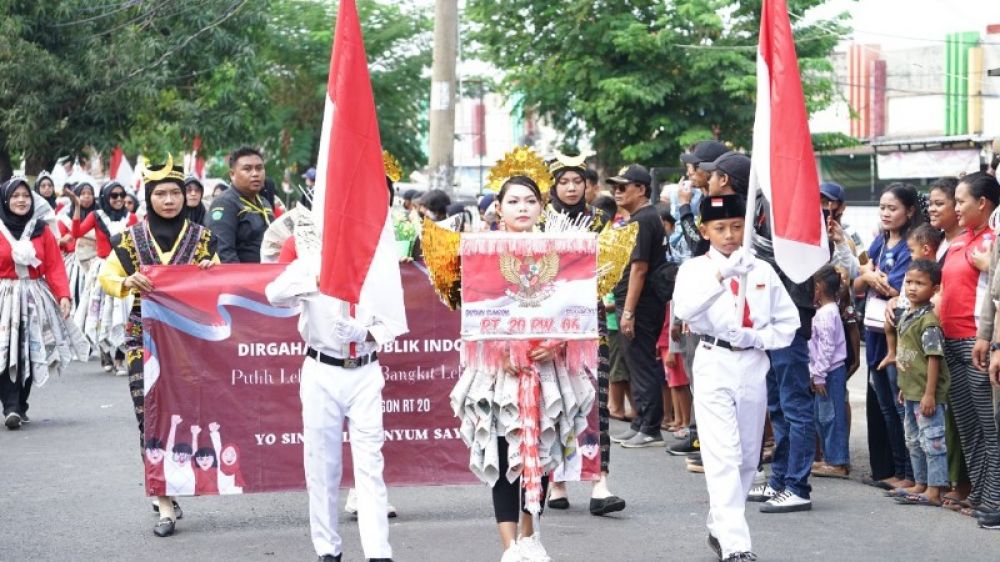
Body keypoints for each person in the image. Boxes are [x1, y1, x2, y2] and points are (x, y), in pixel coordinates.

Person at [439, 154, 596, 561]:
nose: (522, 208)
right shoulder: (480, 251)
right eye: (513, 201)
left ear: (542, 207)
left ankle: (531, 536)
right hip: (498, 372)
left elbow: (575, 308)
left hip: (548, 367)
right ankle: (509, 546)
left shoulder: (563, 249)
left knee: (540, 452)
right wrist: (498, 349)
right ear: (499, 208)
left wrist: (558, 342)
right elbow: (474, 311)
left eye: (530, 201)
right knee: (503, 450)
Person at [265, 181, 404, 562]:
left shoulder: (380, 261)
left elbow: (395, 323)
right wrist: (315, 279)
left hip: (365, 370)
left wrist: (367, 333)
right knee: (322, 464)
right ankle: (328, 549)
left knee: (370, 464)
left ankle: (378, 552)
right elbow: (273, 294)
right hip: (322, 369)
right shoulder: (313, 259)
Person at [673, 193, 798, 562]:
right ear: (704, 231)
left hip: (752, 362)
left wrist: (756, 338)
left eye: (736, 227)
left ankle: (720, 523)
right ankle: (736, 544)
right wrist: (722, 274)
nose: (729, 235)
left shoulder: (761, 270)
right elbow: (685, 309)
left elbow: (788, 323)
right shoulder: (694, 269)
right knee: (722, 455)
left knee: (746, 456)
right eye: (720, 228)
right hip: (713, 360)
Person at [97, 157, 218, 537]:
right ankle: (162, 499)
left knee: (185, 416)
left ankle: (174, 479)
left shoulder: (203, 240)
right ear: (149, 197)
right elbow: (106, 276)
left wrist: (210, 275)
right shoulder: (129, 241)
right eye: (160, 193)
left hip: (189, 340)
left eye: (175, 193)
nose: (168, 200)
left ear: (186, 196)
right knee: (149, 417)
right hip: (143, 339)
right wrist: (127, 281)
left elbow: (219, 284)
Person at [543, 153, 623, 517]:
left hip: (589, 321)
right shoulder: (540, 221)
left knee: (595, 400)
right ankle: (556, 481)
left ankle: (599, 481)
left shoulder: (600, 220)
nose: (572, 188)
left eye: (577, 181)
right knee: (554, 401)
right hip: (547, 322)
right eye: (564, 182)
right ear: (553, 186)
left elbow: (612, 265)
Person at [0, 177, 87, 429]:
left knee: (29, 349)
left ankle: (20, 403)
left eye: (25, 196)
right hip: (4, 296)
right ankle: (11, 405)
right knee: (5, 349)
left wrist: (63, 295)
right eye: (15, 196)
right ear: (5, 200)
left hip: (33, 295)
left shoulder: (41, 230)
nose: (21, 200)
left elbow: (54, 265)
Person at [939, 172, 1000, 526]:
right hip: (951, 341)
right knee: (967, 426)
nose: (956, 207)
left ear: (983, 203)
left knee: (989, 427)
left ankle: (994, 498)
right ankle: (979, 492)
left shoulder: (993, 241)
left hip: (977, 341)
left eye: (961, 201)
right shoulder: (960, 240)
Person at [852, 183, 921, 492]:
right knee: (884, 407)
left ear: (910, 211)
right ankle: (895, 469)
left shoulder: (910, 246)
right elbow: (858, 283)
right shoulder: (879, 241)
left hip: (898, 334)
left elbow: (894, 288)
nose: (886, 213)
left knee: (899, 406)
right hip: (874, 333)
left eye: (892, 208)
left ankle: (910, 473)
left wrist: (870, 276)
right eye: (882, 207)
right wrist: (868, 275)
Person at [607, 164, 668, 448]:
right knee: (635, 364)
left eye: (623, 187)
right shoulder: (640, 218)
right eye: (614, 187)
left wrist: (629, 312)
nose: (617, 192)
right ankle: (641, 422)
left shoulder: (643, 220)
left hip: (641, 305)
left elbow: (639, 269)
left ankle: (651, 427)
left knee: (642, 364)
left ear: (641, 189)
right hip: (637, 303)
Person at [892, 259, 950, 507]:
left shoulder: (929, 322)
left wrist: (929, 394)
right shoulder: (907, 315)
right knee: (913, 440)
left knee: (932, 440)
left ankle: (935, 490)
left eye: (920, 283)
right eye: (909, 282)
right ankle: (920, 483)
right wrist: (904, 387)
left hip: (926, 395)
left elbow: (933, 358)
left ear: (935, 288)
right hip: (911, 391)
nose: (912, 287)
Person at [67, 180, 138, 373]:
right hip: (103, 269)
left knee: (123, 314)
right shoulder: (96, 216)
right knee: (99, 314)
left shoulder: (131, 218)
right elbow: (76, 233)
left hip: (124, 269)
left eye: (122, 195)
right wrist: (77, 206)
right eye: (114, 195)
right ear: (106, 197)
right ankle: (105, 352)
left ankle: (120, 357)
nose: (118, 199)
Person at [808, 265, 849, 478]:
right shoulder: (827, 310)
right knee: (822, 416)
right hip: (825, 372)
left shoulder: (827, 314)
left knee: (831, 417)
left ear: (819, 287)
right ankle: (830, 457)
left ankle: (837, 461)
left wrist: (819, 375)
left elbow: (826, 347)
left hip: (830, 373)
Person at [208, 147, 273, 263]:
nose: (255, 174)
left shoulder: (264, 202)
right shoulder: (225, 203)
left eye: (259, 168)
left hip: (271, 271)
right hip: (242, 273)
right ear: (232, 174)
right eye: (247, 169)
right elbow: (223, 253)